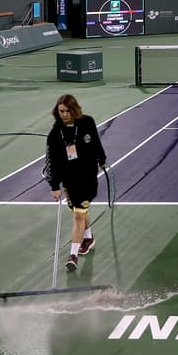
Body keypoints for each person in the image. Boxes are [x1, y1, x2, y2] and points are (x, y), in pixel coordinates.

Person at [46, 93, 108, 272]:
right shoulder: (55, 134)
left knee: (78, 216)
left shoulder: (87, 122)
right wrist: (54, 186)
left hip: (88, 177)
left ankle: (73, 256)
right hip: (69, 180)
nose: (64, 114)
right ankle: (88, 238)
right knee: (79, 212)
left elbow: (96, 142)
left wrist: (102, 159)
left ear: (74, 109)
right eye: (61, 111)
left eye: (67, 111)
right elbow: (53, 162)